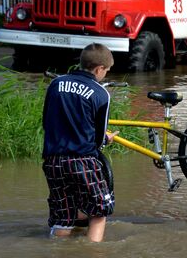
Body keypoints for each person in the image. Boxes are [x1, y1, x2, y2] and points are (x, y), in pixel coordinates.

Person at [42, 43, 117, 242]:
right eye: (106, 71)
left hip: (53, 161)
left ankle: (56, 249)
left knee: (63, 216)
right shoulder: (101, 94)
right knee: (100, 211)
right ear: (99, 69)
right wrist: (106, 140)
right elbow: (99, 139)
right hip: (82, 160)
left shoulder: (55, 84)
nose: (105, 75)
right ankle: (93, 252)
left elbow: (45, 121)